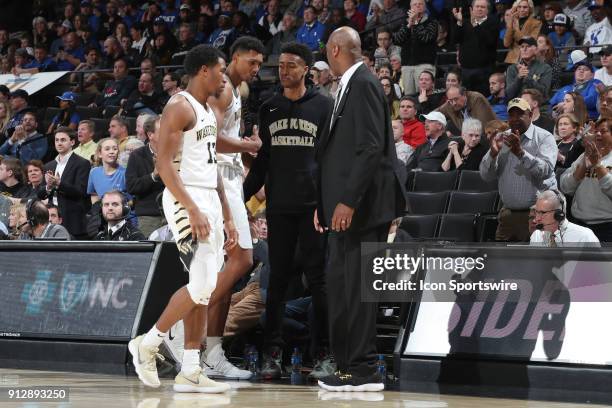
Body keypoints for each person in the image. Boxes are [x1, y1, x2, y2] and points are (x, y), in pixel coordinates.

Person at [128, 44, 234, 393]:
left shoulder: (208, 109)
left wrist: (228, 215)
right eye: (221, 69)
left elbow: (212, 167)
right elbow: (162, 165)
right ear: (204, 70)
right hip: (184, 197)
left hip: (208, 197)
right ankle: (148, 342)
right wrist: (191, 207)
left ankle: (190, 368)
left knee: (204, 288)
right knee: (203, 285)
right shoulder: (179, 106)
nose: (224, 75)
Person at [316, 26, 406, 392]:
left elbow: (370, 148)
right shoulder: (351, 84)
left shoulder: (364, 83)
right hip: (343, 208)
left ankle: (363, 369)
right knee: (341, 288)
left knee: (353, 290)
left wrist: (348, 200)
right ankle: (350, 366)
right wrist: (324, 204)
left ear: (336, 49)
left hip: (361, 208)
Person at [243, 42, 333, 381]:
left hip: (312, 210)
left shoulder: (324, 106)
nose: (283, 71)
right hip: (278, 208)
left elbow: (328, 162)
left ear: (307, 69)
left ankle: (322, 352)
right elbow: (263, 162)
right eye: (280, 65)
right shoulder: (269, 107)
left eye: (291, 65)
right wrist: (241, 197)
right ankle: (272, 354)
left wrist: (325, 206)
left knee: (319, 281)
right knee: (277, 281)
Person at [201, 36, 264, 381]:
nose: (256, 69)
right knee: (242, 259)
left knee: (228, 267)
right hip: (218, 179)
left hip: (231, 178)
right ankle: (184, 327)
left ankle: (213, 352)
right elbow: (210, 137)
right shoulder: (224, 88)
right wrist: (244, 144)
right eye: (251, 62)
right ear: (235, 57)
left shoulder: (237, 90)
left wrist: (244, 151)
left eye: (259, 64)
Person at [479, 98, 558, 241]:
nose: (515, 119)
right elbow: (486, 176)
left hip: (538, 215)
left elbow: (545, 171)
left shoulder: (544, 137)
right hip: (508, 215)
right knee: (502, 261)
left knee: (540, 260)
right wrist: (492, 154)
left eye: (520, 114)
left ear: (531, 114)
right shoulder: (501, 138)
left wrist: (520, 153)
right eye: (511, 115)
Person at [560, 117, 612, 242]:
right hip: (579, 224)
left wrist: (598, 165)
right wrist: (583, 165)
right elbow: (565, 187)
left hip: (607, 227)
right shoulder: (583, 156)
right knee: (577, 262)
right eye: (596, 131)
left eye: (603, 131)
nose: (598, 134)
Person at [43, 127, 91, 240]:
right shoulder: (49, 165)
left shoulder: (82, 163)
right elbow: (40, 194)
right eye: (57, 140)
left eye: (63, 140)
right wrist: (48, 187)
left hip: (72, 220)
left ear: (72, 142)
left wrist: (59, 184)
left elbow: (80, 191)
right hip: (51, 220)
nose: (59, 143)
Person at [126, 116, 165, 238]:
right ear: (150, 135)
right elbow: (131, 186)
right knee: (150, 253)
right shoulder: (137, 156)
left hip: (175, 214)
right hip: (149, 216)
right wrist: (153, 176)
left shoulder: (178, 153)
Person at [451, 0, 499, 96]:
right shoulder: (464, 23)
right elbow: (455, 39)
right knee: (466, 100)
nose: (479, 9)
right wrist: (459, 22)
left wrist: (476, 26)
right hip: (465, 70)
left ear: (487, 10)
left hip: (484, 71)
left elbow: (489, 41)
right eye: (477, 6)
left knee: (481, 100)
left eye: (482, 7)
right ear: (472, 9)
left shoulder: (493, 23)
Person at [393, 0, 438, 96]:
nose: (417, 6)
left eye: (420, 4)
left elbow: (425, 38)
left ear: (425, 7)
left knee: (425, 95)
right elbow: (397, 40)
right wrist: (409, 25)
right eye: (415, 4)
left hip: (424, 65)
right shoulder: (405, 22)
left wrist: (416, 22)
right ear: (410, 7)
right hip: (407, 65)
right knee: (409, 96)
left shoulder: (432, 21)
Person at [530, 190, 599, 246]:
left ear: (559, 214)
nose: (537, 218)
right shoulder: (537, 235)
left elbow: (596, 263)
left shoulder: (584, 236)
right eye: (537, 212)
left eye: (543, 213)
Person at [503, 0, 542, 64]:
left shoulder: (537, 23)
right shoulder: (512, 22)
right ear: (516, 8)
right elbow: (506, 44)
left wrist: (515, 30)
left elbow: (530, 41)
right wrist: (510, 26)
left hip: (529, 59)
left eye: (525, 7)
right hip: (512, 59)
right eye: (519, 7)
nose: (522, 9)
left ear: (530, 9)